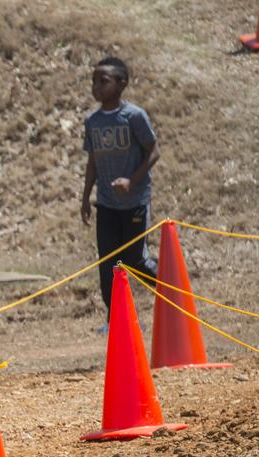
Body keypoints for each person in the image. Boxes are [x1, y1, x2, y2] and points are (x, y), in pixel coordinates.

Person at [80, 56, 160, 322]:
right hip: (106, 204)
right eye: (94, 81)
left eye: (103, 81)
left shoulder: (134, 116)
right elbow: (92, 161)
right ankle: (116, 320)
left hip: (135, 202)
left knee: (135, 260)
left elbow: (153, 152)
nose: (96, 87)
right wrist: (85, 198)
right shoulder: (92, 122)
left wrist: (131, 180)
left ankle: (172, 296)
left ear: (121, 84)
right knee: (108, 264)